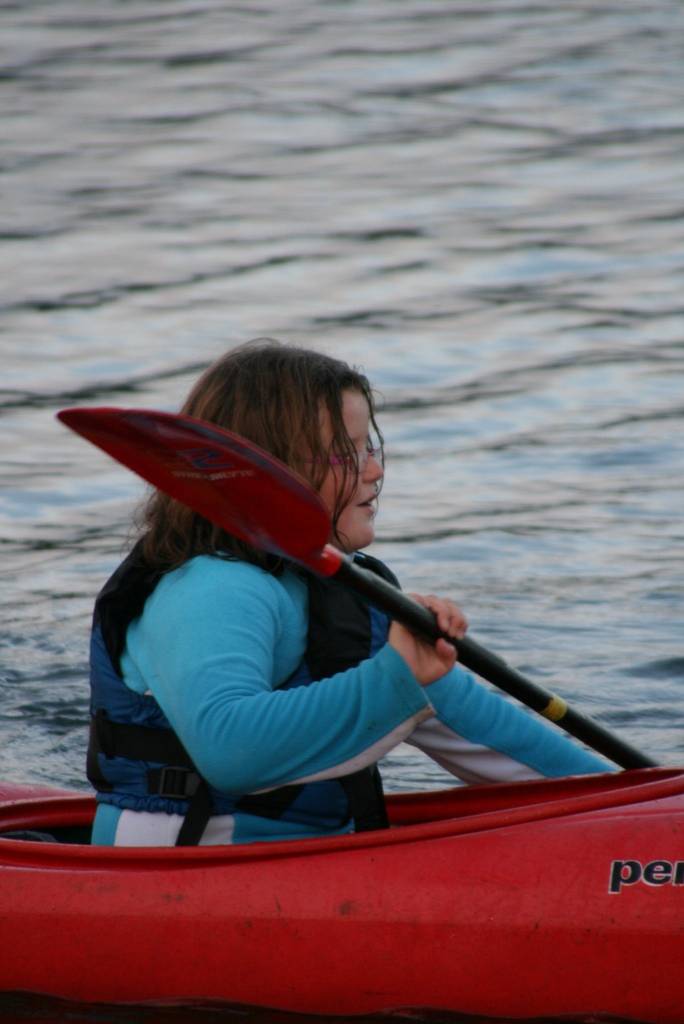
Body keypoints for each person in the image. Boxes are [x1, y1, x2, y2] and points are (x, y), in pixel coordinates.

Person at [88, 340, 611, 847]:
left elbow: (494, 736)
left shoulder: (347, 591)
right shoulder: (210, 588)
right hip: (190, 871)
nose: (375, 470)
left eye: (370, 448)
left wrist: (641, 800)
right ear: (269, 468)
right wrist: (396, 676)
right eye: (346, 455)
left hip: (307, 865)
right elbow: (230, 752)